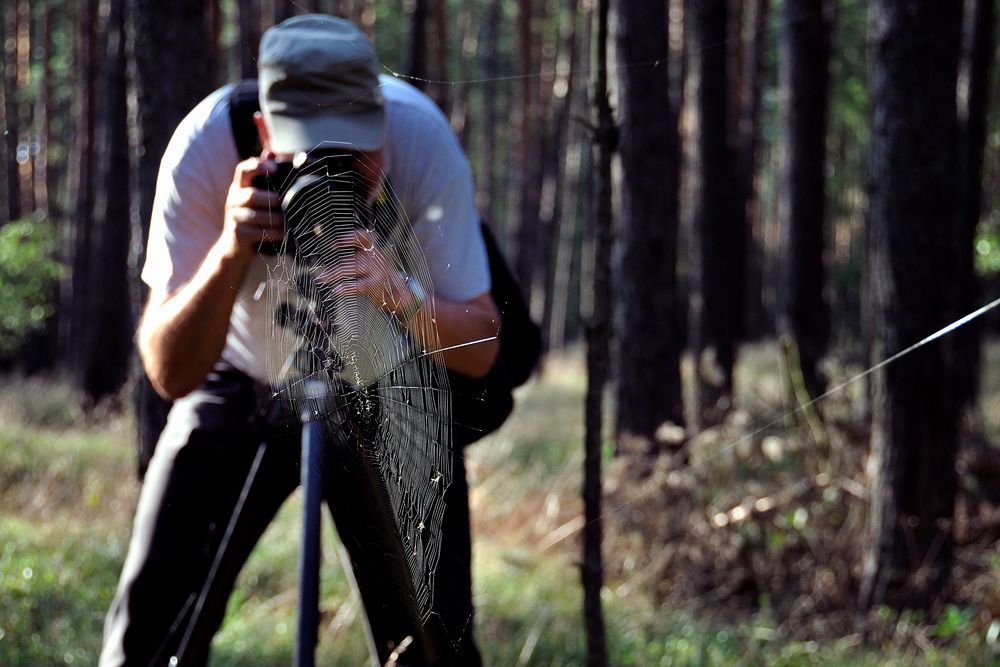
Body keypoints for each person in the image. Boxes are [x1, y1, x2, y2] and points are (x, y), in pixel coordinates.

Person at [100, 14, 498, 667]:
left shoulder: (421, 137)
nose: (337, 178)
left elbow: (483, 345)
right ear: (264, 131)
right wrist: (230, 251)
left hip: (384, 384)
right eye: (314, 152)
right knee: (145, 639)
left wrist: (403, 294)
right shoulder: (206, 146)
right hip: (239, 376)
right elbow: (168, 373)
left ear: (383, 121)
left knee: (437, 644)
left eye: (357, 154)